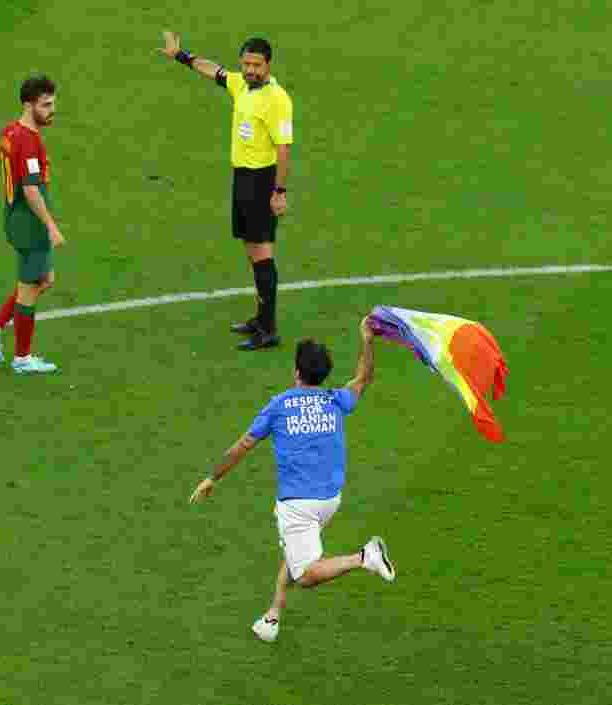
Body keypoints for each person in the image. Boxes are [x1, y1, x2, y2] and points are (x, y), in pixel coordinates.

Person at [189, 318, 396, 643]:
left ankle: (364, 557)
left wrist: (211, 478)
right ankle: (273, 614)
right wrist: (367, 340)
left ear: (296, 372)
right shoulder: (335, 399)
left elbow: (243, 446)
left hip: (298, 505)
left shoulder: (279, 406)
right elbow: (364, 379)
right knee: (296, 550)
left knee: (306, 574)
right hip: (329, 501)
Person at [159, 31, 293, 351]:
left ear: (268, 65)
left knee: (262, 253)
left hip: (262, 181)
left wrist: (279, 191)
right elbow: (214, 71)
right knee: (251, 249)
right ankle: (261, 319)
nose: (250, 70)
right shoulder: (240, 85)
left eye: (256, 65)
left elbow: (284, 148)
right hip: (243, 179)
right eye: (246, 64)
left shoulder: (277, 99)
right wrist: (182, 55)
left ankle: (269, 329)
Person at [0, 74, 65, 374]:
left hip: (16, 216)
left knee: (43, 279)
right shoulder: (28, 141)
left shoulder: (11, 131)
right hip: (29, 223)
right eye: (46, 105)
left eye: (53, 103)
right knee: (30, 288)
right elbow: (30, 188)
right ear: (28, 105)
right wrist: (50, 225)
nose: (52, 110)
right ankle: (22, 358)